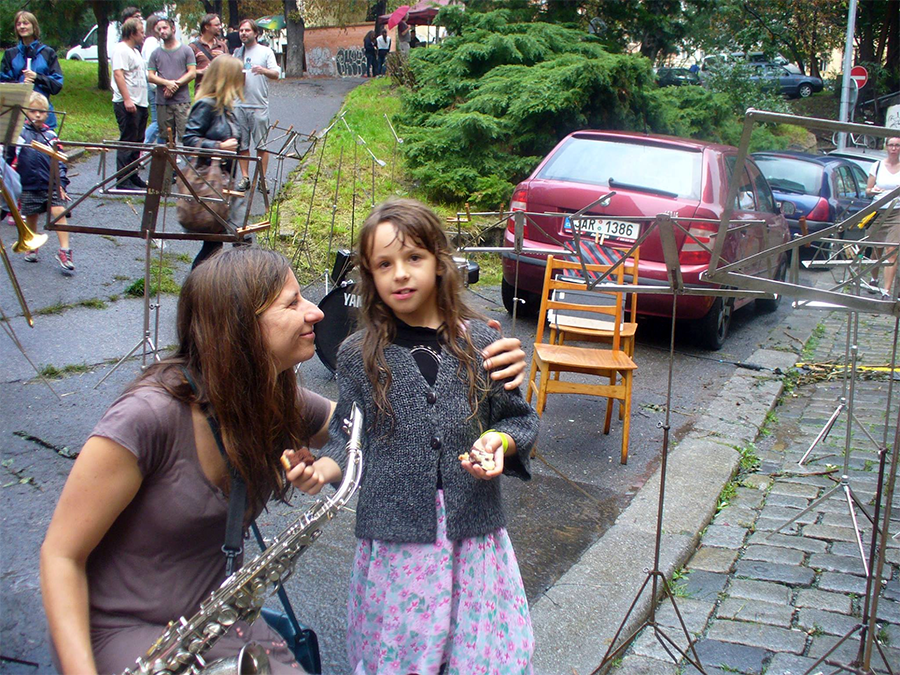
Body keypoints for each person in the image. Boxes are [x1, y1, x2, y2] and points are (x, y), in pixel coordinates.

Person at [39, 244, 529, 675]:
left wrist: (466, 359)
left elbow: (386, 430)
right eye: (292, 303)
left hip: (217, 622)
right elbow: (60, 557)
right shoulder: (145, 417)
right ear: (238, 327)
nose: (315, 312)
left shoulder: (275, 396)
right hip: (126, 633)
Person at [293, 198, 539, 674]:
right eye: (384, 264)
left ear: (440, 263)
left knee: (480, 655)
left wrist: (498, 443)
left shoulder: (482, 344)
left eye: (414, 258)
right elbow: (349, 437)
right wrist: (323, 468)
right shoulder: (357, 355)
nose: (400, 274)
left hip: (473, 535)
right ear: (369, 275)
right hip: (396, 541)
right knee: (405, 654)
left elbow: (519, 421)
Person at [182, 55, 247, 268]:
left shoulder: (226, 108)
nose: (243, 80)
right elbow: (189, 140)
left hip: (225, 183)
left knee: (231, 240)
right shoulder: (206, 105)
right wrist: (218, 146)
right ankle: (202, 285)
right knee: (226, 241)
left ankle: (212, 284)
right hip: (210, 183)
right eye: (238, 75)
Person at [7, 92, 73, 271]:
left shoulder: (51, 135)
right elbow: (10, 157)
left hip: (51, 183)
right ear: (26, 112)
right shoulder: (19, 134)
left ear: (47, 114)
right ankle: (32, 244)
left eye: (42, 112)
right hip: (28, 184)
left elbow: (60, 161)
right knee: (32, 216)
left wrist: (62, 184)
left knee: (59, 212)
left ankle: (65, 250)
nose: (37, 115)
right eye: (33, 111)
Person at [232, 18, 280, 193]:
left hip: (259, 104)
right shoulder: (237, 53)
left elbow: (276, 73)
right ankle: (245, 178)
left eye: (247, 30)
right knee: (242, 145)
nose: (243, 33)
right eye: (241, 31)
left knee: (261, 145)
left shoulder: (265, 51)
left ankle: (262, 179)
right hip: (239, 104)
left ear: (256, 33)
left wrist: (263, 70)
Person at [0, 12, 63, 129]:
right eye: (18, 24)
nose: (22, 26)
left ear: (34, 27)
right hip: (17, 113)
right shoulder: (10, 54)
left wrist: (37, 77)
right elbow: (3, 82)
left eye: (25, 23)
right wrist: (20, 85)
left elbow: (57, 85)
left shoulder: (47, 53)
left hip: (42, 115)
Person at [111, 17, 149, 190]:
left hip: (141, 102)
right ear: (132, 33)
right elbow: (118, 74)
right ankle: (122, 179)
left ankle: (133, 175)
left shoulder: (136, 52)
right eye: (141, 32)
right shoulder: (121, 50)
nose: (143, 35)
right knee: (128, 141)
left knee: (137, 141)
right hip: (128, 102)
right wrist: (127, 99)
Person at [148, 17, 196, 145]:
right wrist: (167, 83)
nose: (162, 31)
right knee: (167, 140)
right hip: (162, 102)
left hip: (182, 101)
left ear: (173, 29)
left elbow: (192, 73)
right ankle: (170, 159)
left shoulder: (186, 50)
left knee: (187, 137)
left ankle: (187, 159)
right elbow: (151, 76)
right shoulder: (155, 53)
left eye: (165, 28)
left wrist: (175, 85)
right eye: (159, 29)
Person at [866, 136, 900, 298]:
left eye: (897, 145)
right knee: (876, 248)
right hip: (878, 211)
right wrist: (873, 191)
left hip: (897, 213)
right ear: (886, 147)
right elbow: (868, 190)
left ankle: (886, 291)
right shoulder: (877, 166)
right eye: (891, 145)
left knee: (891, 250)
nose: (894, 148)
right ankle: (874, 279)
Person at [190, 13, 227, 88]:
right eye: (216, 25)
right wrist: (201, 71)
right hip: (202, 90)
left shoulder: (222, 46)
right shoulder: (193, 47)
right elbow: (185, 71)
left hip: (220, 90)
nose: (220, 27)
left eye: (220, 25)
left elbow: (229, 67)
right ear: (207, 27)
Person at [141, 14, 161, 145]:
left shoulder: (153, 42)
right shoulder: (152, 42)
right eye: (160, 27)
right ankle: (144, 146)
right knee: (158, 121)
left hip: (154, 82)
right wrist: (156, 84)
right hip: (154, 84)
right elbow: (151, 64)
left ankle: (161, 149)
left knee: (162, 122)